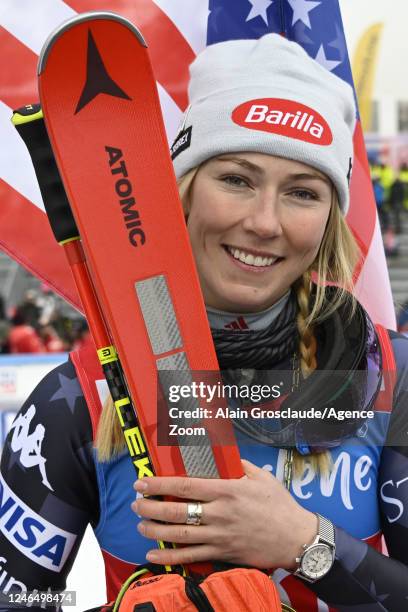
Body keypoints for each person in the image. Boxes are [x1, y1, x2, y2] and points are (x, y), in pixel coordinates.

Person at [1, 33, 408, 612]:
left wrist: (304, 544)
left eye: (302, 192)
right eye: (237, 179)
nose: (265, 223)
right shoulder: (80, 395)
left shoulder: (393, 374)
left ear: (329, 222)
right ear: (182, 193)